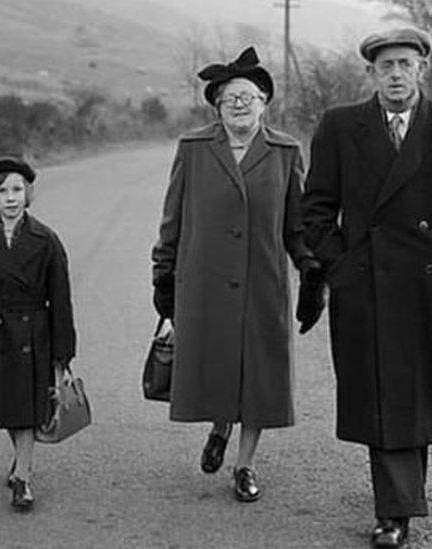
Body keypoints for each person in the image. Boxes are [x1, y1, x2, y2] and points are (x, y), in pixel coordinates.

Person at [295, 27, 432, 547]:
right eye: (387, 66)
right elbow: (315, 208)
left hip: (431, 288)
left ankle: (402, 498)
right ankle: (395, 512)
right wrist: (342, 268)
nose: (396, 74)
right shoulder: (341, 126)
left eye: (406, 64)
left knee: (418, 396)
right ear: (372, 73)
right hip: (367, 288)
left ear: (422, 68)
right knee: (384, 397)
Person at [151, 47, 312, 502]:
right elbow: (173, 217)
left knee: (261, 377)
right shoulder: (194, 149)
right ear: (217, 106)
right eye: (229, 98)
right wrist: (163, 274)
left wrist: (311, 271)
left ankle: (244, 464)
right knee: (219, 366)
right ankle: (220, 425)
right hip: (204, 282)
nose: (240, 104)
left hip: (263, 282)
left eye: (249, 96)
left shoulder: (285, 152)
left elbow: (297, 225)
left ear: (265, 102)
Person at [0, 157, 77, 511]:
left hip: (33, 335)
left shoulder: (46, 240)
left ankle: (23, 477)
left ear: (28, 194)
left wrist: (62, 351)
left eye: (17, 190)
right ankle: (20, 459)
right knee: (8, 409)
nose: (10, 198)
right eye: (2, 190)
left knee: (28, 410)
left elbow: (61, 298)